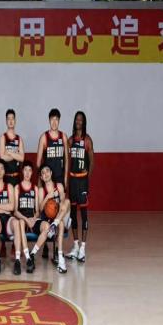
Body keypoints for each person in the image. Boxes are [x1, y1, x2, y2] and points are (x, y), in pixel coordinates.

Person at [35, 108, 68, 259]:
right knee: (46, 211)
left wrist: (65, 179)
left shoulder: (63, 136)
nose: (54, 122)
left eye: (56, 119)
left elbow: (66, 160)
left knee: (57, 210)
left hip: (59, 179)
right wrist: (40, 183)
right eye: (52, 119)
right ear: (49, 120)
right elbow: (38, 163)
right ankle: (46, 245)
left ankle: (56, 246)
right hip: (47, 179)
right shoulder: (44, 137)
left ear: (59, 121)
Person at [66, 111, 94, 263]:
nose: (78, 122)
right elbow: (67, 160)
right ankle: (76, 246)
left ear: (84, 122)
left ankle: (83, 247)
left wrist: (86, 179)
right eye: (76, 119)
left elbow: (92, 162)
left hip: (82, 181)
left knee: (83, 214)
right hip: (72, 180)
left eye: (81, 120)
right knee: (72, 215)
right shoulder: (70, 141)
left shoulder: (87, 140)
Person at [0, 159, 22, 276]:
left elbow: (11, 207)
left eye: (2, 168)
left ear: (4, 171)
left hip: (7, 219)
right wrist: (4, 208)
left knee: (16, 223)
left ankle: (17, 260)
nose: (0, 171)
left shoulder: (9, 187)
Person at [14, 161, 50, 274]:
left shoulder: (35, 188)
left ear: (32, 173)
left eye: (29, 170)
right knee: (20, 222)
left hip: (33, 219)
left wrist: (34, 218)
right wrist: (26, 220)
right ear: (22, 171)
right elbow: (15, 211)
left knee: (46, 226)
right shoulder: (17, 187)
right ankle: (25, 259)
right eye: (25, 170)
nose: (27, 173)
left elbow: (38, 211)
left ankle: (32, 253)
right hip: (22, 219)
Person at [38, 164, 71, 274]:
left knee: (67, 202)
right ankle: (61, 259)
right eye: (43, 173)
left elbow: (63, 203)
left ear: (51, 173)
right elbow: (40, 209)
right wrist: (48, 197)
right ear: (41, 177)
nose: (46, 174)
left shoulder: (59, 186)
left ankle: (55, 223)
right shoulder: (41, 190)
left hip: (61, 215)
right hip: (49, 220)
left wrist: (57, 203)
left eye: (47, 171)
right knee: (60, 224)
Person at [0, 109, 25, 187]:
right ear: (6, 121)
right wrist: (16, 154)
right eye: (8, 119)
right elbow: (2, 157)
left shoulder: (19, 138)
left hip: (17, 177)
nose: (10, 121)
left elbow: (22, 158)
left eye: (12, 118)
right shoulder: (3, 137)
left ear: (15, 121)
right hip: (6, 177)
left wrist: (9, 152)